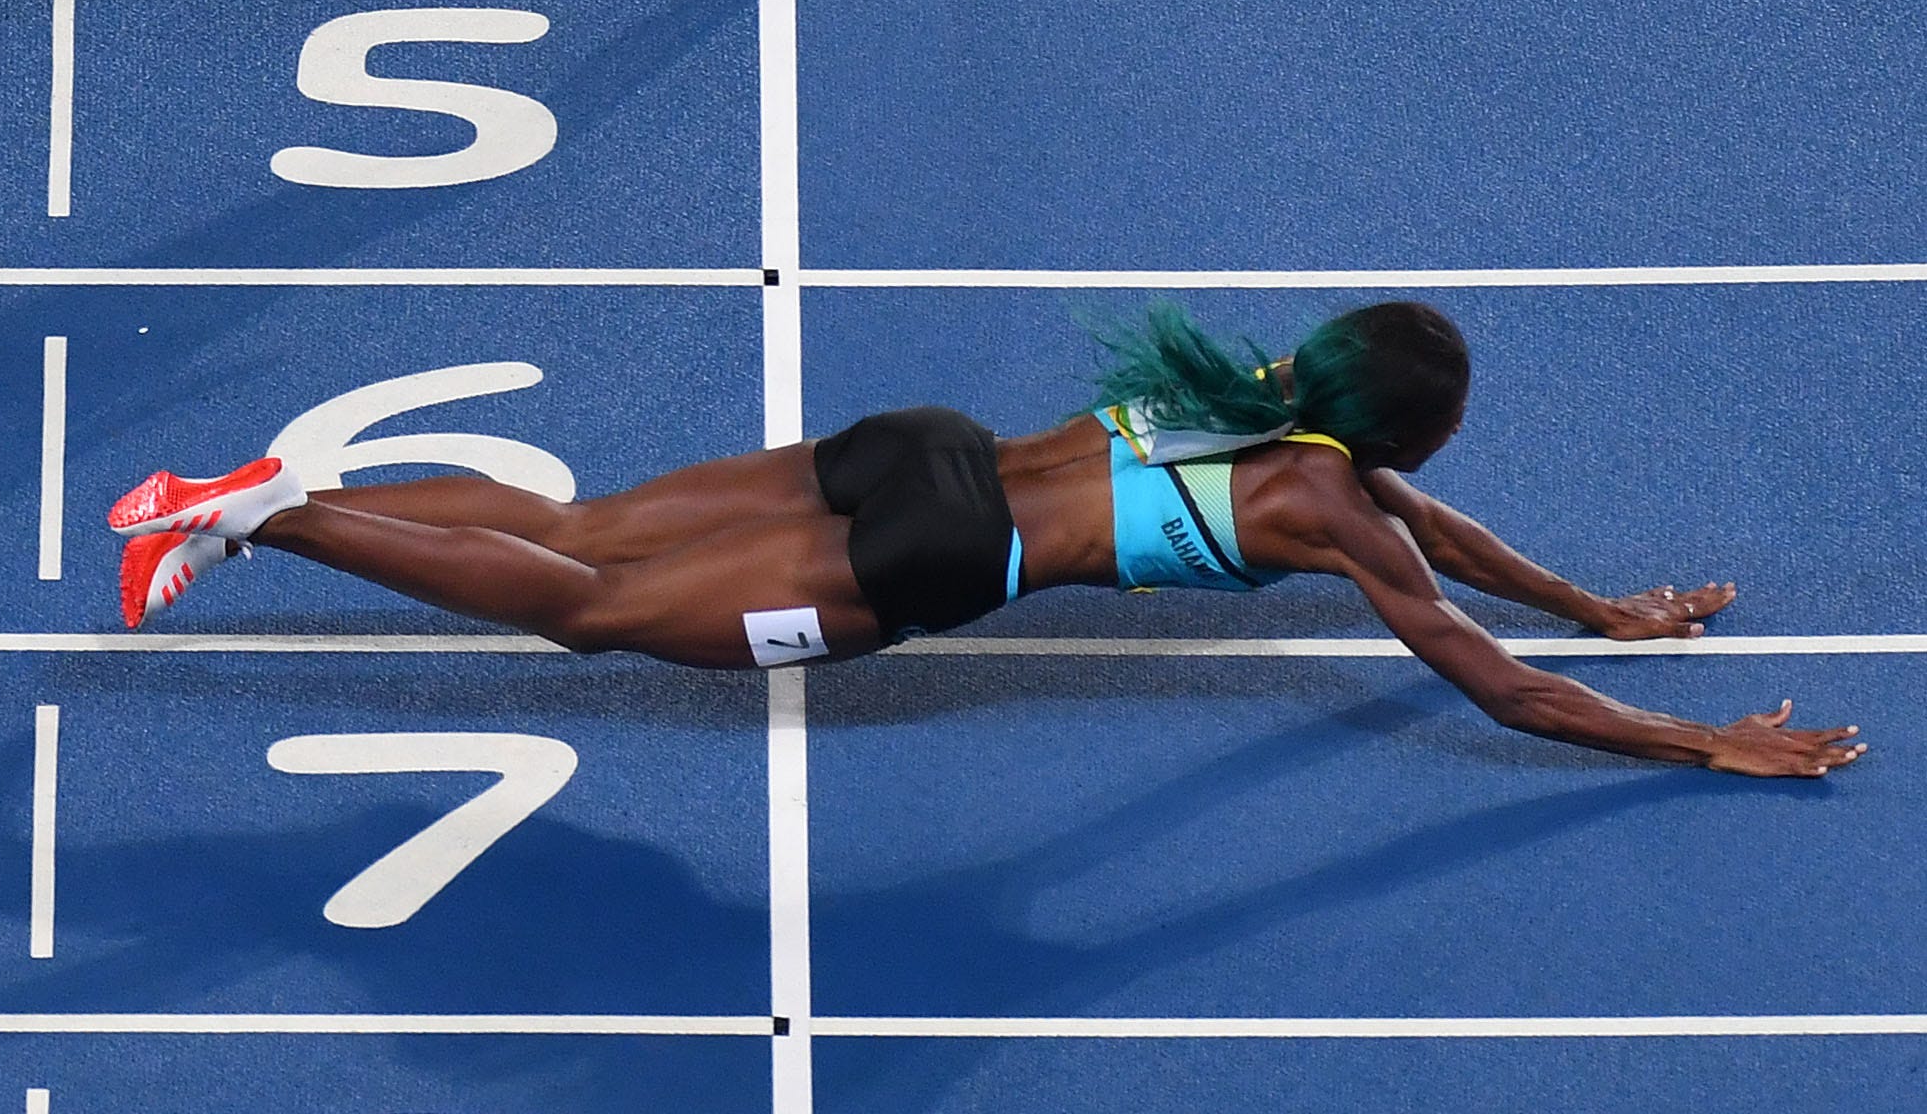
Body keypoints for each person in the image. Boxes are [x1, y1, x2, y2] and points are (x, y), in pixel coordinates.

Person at [105, 299, 1861, 779]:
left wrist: (1596, 609)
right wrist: (1697, 733)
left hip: (910, 448)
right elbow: (1492, 689)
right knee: (594, 616)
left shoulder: (1264, 397)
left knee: (574, 526)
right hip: (925, 569)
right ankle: (263, 515)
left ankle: (265, 484)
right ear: (1399, 434)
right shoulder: (1330, 506)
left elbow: (1445, 535)